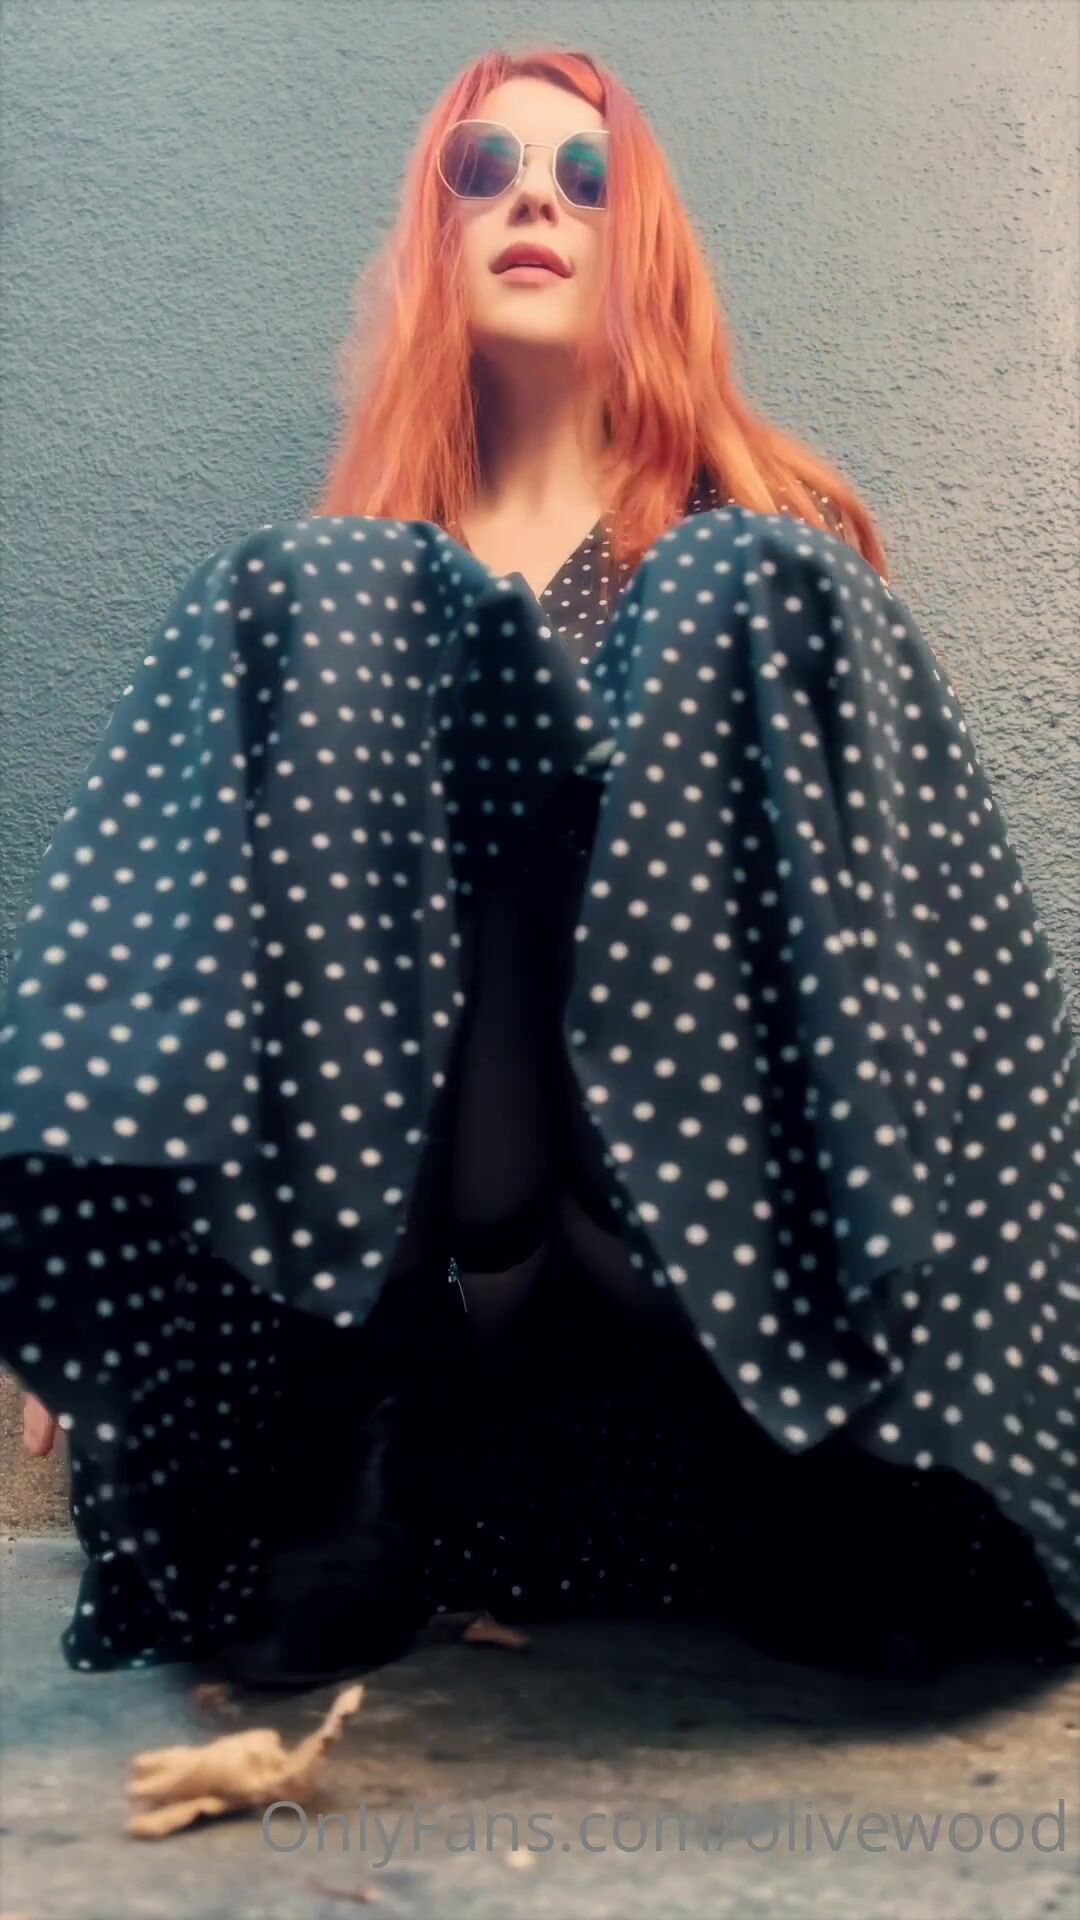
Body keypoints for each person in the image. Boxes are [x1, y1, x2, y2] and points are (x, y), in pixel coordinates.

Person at [2, 46, 1077, 1689]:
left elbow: (900, 956)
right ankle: (347, 1462)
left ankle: (843, 1455)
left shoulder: (762, 562)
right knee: (331, 589)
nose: (531, 198)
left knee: (739, 579)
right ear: (432, 233)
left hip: (715, 1375)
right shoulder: (346, 606)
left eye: (585, 176)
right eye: (481, 169)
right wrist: (94, 1228)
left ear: (639, 240)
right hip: (443, 1380)